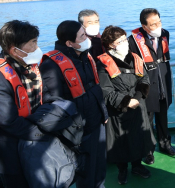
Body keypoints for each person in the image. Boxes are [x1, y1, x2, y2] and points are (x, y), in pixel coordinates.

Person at [40, 20, 108, 188]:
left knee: (100, 167)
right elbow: (54, 102)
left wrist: (103, 113)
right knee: (85, 172)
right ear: (69, 43)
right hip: (78, 129)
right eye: (82, 36)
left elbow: (96, 87)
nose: (87, 38)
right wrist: (73, 129)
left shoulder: (85, 55)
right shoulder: (51, 65)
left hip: (97, 121)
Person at [98, 25, 156, 185]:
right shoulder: (103, 63)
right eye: (120, 40)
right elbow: (106, 91)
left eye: (125, 38)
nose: (125, 42)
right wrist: (126, 101)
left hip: (138, 106)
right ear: (111, 44)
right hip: (118, 111)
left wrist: (138, 97)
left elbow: (144, 79)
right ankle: (122, 170)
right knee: (120, 143)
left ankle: (137, 166)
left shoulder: (134, 57)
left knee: (138, 138)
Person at [0, 20, 47, 187]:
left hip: (32, 139)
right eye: (32, 43)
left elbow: (43, 97)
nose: (37, 47)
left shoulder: (29, 67)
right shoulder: (2, 77)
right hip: (10, 148)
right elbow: (8, 121)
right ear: (15, 50)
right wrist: (43, 134)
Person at [128, 8, 175, 165]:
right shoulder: (132, 41)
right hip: (147, 85)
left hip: (164, 82)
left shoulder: (165, 34)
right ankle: (148, 151)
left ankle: (165, 145)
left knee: (163, 116)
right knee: (147, 119)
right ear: (144, 26)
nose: (157, 26)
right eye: (153, 24)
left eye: (159, 22)